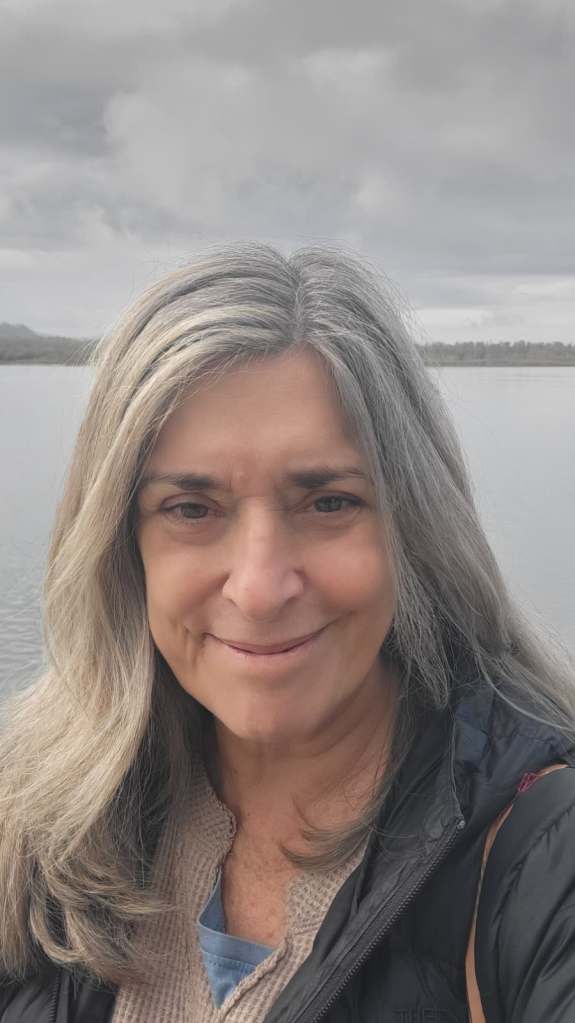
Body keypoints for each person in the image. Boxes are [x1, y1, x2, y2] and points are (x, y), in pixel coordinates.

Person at [0, 244, 574, 1023]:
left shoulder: (540, 854)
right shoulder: (39, 816)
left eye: (328, 502)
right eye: (191, 508)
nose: (260, 588)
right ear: (123, 545)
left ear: (412, 526)